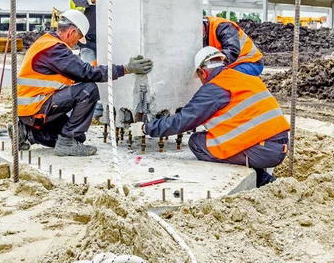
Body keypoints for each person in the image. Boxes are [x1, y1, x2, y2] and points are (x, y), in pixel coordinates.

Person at [143, 46, 289, 187]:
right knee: (215, 136)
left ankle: (261, 178)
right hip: (279, 145)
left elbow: (183, 120)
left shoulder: (214, 88)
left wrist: (147, 128)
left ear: (203, 72)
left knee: (197, 142)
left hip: (264, 151)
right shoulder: (242, 77)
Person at [15, 10, 153, 157]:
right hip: (36, 108)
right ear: (71, 32)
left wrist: (94, 67)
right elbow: (86, 73)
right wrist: (126, 69)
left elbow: (74, 72)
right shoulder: (55, 49)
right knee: (88, 90)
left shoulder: (47, 42)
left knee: (79, 137)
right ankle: (66, 144)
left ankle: (28, 133)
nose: (76, 44)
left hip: (32, 108)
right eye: (78, 38)